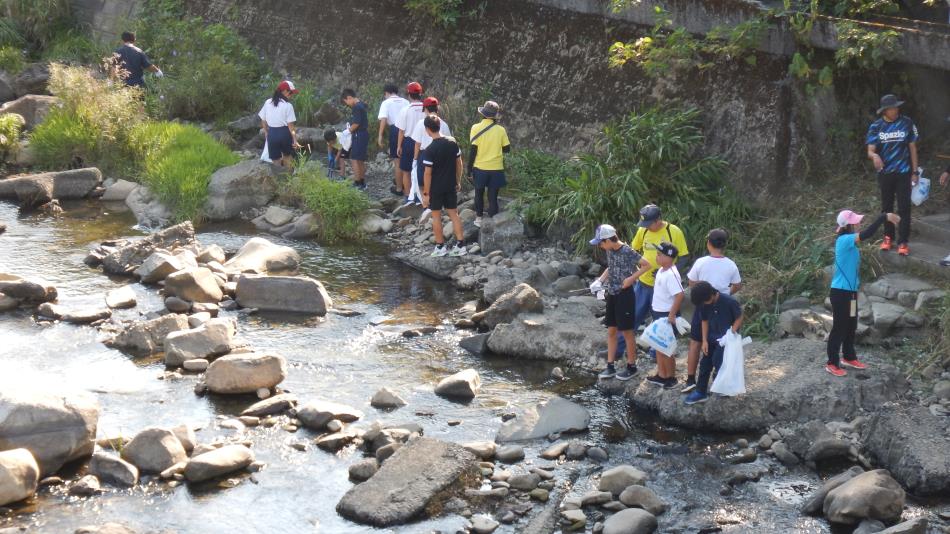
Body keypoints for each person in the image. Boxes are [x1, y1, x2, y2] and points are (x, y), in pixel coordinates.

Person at [827, 210, 899, 376]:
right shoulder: (844, 240)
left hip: (851, 293)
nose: (858, 223)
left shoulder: (848, 241)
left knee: (851, 324)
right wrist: (883, 217)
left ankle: (849, 357)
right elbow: (867, 234)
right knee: (839, 327)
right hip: (840, 293)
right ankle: (831, 363)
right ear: (848, 225)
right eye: (855, 221)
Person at [615, 204, 690, 359]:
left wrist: (667, 269)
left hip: (663, 288)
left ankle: (657, 353)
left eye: (649, 224)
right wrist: (634, 270)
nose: (646, 227)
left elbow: (683, 256)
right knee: (631, 316)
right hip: (643, 284)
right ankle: (618, 349)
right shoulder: (643, 231)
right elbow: (633, 250)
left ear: (658, 220)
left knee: (663, 321)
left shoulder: (673, 231)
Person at [682, 229, 741, 393]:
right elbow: (737, 285)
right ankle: (720, 379)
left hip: (703, 304)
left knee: (696, 342)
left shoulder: (701, 262)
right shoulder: (731, 264)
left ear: (708, 243)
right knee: (721, 342)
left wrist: (701, 294)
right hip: (721, 305)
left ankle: (691, 379)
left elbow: (692, 282)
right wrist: (726, 294)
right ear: (725, 245)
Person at [591, 224, 652, 381]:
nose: (600, 246)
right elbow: (610, 268)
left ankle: (632, 367)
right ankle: (610, 366)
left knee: (627, 332)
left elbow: (647, 265)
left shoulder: (627, 250)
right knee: (611, 330)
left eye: (601, 242)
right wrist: (600, 280)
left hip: (625, 295)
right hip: (612, 293)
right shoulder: (610, 250)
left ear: (609, 240)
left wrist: (632, 278)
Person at [866, 94, 919, 256]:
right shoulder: (876, 127)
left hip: (904, 172)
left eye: (897, 107)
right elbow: (870, 150)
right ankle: (888, 237)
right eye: (892, 108)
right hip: (885, 174)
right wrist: (874, 156)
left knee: (904, 207)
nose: (895, 110)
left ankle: (903, 241)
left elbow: (912, 148)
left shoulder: (907, 122)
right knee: (886, 207)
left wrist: (915, 171)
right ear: (885, 110)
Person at [684, 281, 743, 405]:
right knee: (705, 363)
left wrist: (731, 332)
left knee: (719, 361)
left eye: (705, 302)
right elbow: (704, 321)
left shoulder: (729, 301)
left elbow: (739, 317)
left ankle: (723, 386)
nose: (704, 305)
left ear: (711, 295)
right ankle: (701, 391)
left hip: (726, 340)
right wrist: (704, 340)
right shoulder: (704, 304)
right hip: (711, 338)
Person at [420, 116, 467, 257]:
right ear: (439, 126)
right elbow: (459, 164)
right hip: (450, 185)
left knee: (436, 217)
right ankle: (461, 245)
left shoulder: (429, 150)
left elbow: (427, 173)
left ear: (428, 130)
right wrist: (458, 181)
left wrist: (426, 194)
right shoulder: (452, 142)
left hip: (436, 188)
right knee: (454, 214)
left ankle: (440, 247)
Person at [645, 242, 684, 389]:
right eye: (657, 254)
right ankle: (661, 375)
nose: (657, 257)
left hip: (667, 314)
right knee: (658, 345)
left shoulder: (672, 274)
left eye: (660, 255)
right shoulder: (662, 270)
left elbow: (680, 295)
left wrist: (672, 315)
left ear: (669, 258)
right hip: (658, 312)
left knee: (667, 348)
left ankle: (671, 378)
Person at [468, 100, 511, 227]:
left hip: (480, 167)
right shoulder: (501, 130)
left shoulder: (475, 128)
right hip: (496, 168)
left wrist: (468, 169)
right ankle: (493, 220)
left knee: (479, 193)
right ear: (495, 115)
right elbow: (507, 149)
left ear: (483, 114)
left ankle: (479, 218)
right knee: (493, 197)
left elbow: (473, 150)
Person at [411, 97, 452, 220]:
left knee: (422, 180)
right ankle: (437, 205)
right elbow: (448, 140)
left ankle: (426, 205)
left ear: (425, 108)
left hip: (425, 153)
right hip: (440, 155)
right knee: (436, 179)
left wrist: (415, 159)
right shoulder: (443, 124)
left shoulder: (421, 123)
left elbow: (417, 143)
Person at [395, 82, 426, 204]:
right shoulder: (426, 107)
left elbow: (401, 131)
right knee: (422, 170)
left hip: (409, 142)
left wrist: (399, 146)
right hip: (424, 142)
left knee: (406, 171)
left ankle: (408, 197)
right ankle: (422, 196)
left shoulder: (406, 110)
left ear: (409, 94)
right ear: (420, 93)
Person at [259, 80, 301, 168]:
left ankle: (278, 178)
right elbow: (291, 127)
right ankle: (288, 178)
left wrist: (267, 132)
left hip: (272, 134)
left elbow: (263, 120)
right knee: (288, 157)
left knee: (275, 160)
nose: (292, 95)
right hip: (284, 134)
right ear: (285, 91)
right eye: (291, 93)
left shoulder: (268, 102)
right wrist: (295, 140)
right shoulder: (288, 106)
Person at [378, 84, 409, 196]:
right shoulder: (406, 102)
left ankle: (399, 188)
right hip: (408, 130)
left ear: (386, 92)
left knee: (397, 161)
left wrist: (380, 135)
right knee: (408, 159)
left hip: (395, 130)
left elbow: (383, 119)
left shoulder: (386, 103)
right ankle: (408, 187)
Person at [341, 88, 370, 190]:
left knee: (354, 159)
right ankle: (362, 182)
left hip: (359, 134)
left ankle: (358, 183)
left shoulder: (356, 107)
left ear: (349, 98)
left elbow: (356, 123)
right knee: (360, 159)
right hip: (364, 134)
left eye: (346, 102)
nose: (347, 104)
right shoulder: (361, 104)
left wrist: (347, 131)